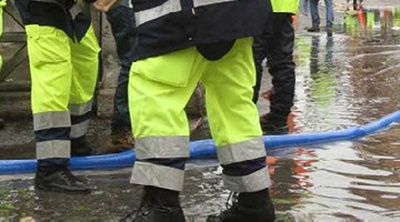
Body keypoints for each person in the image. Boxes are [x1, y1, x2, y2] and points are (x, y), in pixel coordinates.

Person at [97, 0, 276, 220]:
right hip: (238, 11)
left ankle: (161, 207)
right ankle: (254, 205)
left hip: (179, 13)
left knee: (156, 95)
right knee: (233, 104)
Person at [15, 0, 100, 193]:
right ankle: (51, 168)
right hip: (41, 7)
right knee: (53, 79)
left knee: (86, 61)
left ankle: (74, 141)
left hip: (68, 7)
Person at [253, 0, 299, 135]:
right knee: (282, 61)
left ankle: (245, 116)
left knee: (250, 61)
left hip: (254, 7)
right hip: (285, 6)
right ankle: (278, 118)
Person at [105, 0, 136, 148]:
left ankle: (124, 128)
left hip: (127, 6)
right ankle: (123, 128)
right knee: (133, 62)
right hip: (126, 6)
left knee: (133, 62)